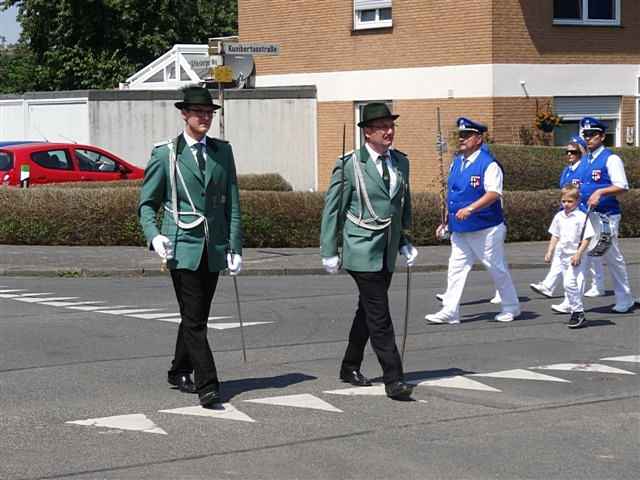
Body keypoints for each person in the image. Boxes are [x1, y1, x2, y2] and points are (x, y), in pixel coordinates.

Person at [138, 85, 243, 408]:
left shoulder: (222, 152)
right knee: (196, 320)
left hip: (212, 247)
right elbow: (147, 204)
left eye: (209, 113)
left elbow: (233, 202)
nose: (205, 118)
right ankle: (207, 383)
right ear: (184, 114)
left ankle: (179, 368)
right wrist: (154, 235)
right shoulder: (166, 153)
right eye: (199, 113)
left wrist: (235, 246)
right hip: (181, 245)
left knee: (194, 315)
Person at [320, 102, 417, 400]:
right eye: (382, 127)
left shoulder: (400, 162)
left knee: (367, 311)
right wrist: (329, 249)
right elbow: (333, 208)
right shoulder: (349, 164)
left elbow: (403, 204)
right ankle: (394, 378)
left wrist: (405, 239)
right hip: (360, 248)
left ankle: (349, 366)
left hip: (386, 249)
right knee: (379, 314)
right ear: (367, 133)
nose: (389, 132)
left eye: (391, 126)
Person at [425, 117, 520, 324]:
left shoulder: (489, 164)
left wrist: (471, 208)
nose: (462, 139)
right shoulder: (456, 162)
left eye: (467, 135)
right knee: (455, 269)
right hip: (460, 228)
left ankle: (511, 306)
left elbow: (494, 193)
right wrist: (446, 221)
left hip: (485, 227)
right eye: (460, 135)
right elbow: (452, 194)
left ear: (478, 138)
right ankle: (450, 310)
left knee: (495, 268)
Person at [529, 135, 605, 310]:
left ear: (581, 153)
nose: (569, 154)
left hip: (582, 215)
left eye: (573, 152)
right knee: (563, 255)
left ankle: (595, 288)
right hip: (567, 215)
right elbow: (564, 192)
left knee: (589, 256)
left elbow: (585, 191)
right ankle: (552, 287)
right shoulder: (567, 170)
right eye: (567, 152)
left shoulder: (585, 167)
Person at [578, 116, 635, 313]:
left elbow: (622, 186)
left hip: (607, 214)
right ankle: (573, 302)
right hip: (586, 214)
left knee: (611, 256)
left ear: (602, 136)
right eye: (585, 134)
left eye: (592, 134)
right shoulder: (585, 159)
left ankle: (624, 297)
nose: (588, 138)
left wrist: (600, 192)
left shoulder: (611, 158)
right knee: (581, 256)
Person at [543, 184, 595, 328]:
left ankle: (578, 312)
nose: (566, 204)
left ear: (577, 201)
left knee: (569, 283)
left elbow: (587, 238)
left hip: (576, 255)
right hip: (562, 255)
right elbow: (555, 235)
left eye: (570, 201)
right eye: (564, 201)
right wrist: (550, 251)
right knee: (568, 285)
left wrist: (579, 253)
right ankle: (576, 311)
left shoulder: (581, 217)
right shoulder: (559, 216)